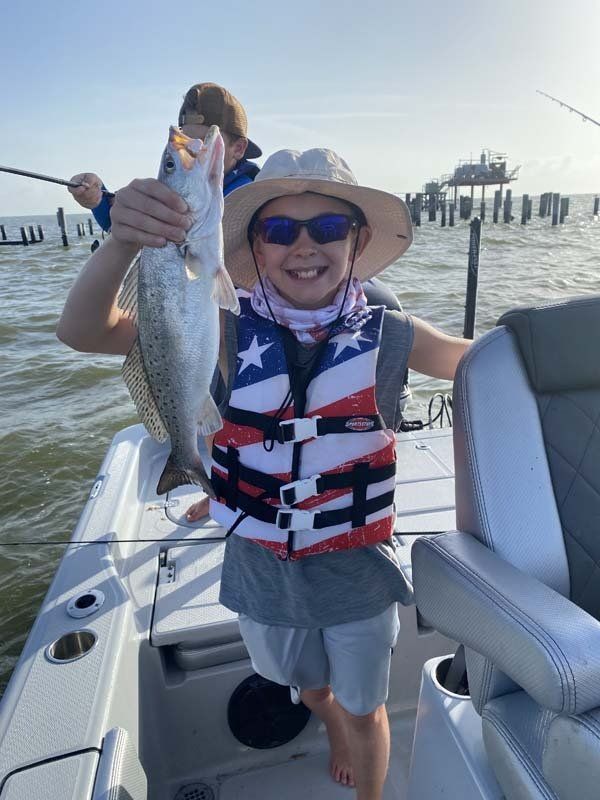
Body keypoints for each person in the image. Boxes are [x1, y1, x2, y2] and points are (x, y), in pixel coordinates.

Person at [57, 146, 469, 800]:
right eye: (281, 230)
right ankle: (324, 715)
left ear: (357, 239)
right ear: (253, 246)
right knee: (302, 684)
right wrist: (121, 244)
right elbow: (84, 330)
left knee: (368, 709)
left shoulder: (394, 336)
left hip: (359, 571)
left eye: (328, 229)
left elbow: (483, 360)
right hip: (259, 566)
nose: (304, 245)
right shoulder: (216, 326)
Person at [67, 82, 262, 231]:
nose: (191, 154)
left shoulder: (251, 198)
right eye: (185, 145)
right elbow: (121, 226)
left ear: (238, 148)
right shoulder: (180, 187)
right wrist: (99, 197)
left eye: (203, 143)